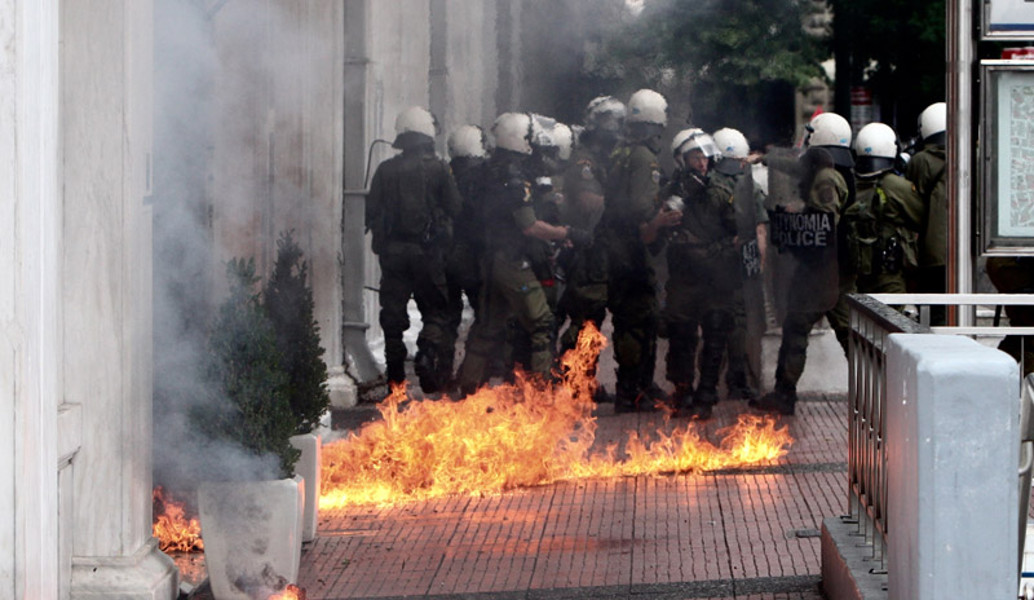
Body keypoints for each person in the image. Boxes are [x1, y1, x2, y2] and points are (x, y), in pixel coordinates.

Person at [456, 112, 589, 395]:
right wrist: (567, 233)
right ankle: (543, 391)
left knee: (488, 326)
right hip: (513, 261)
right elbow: (529, 227)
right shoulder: (515, 179)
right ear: (520, 139)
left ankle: (468, 387)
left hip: (492, 258)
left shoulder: (488, 170)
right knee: (542, 322)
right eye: (529, 136)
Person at [752, 113, 854, 416]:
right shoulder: (833, 169)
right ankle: (879, 392)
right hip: (838, 269)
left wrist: (798, 216)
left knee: (796, 327)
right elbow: (797, 166)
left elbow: (824, 221)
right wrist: (766, 159)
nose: (805, 142)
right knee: (851, 334)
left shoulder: (825, 178)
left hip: (820, 271)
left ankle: (785, 394)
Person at [365, 106, 462, 393]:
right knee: (435, 310)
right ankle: (426, 353)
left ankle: (395, 379)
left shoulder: (385, 170)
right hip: (428, 255)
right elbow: (456, 208)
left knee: (392, 316)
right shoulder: (439, 169)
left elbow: (370, 212)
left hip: (392, 256)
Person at [599, 89, 682, 413]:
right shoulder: (643, 157)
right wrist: (659, 218)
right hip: (632, 248)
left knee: (638, 317)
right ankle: (631, 391)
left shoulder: (621, 151)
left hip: (618, 244)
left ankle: (640, 386)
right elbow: (638, 205)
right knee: (636, 318)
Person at [556, 96, 625, 401]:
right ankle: (573, 381)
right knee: (586, 318)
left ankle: (586, 382)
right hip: (585, 252)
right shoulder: (584, 161)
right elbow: (588, 201)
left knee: (593, 318)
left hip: (599, 250)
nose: (616, 132)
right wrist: (623, 207)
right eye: (612, 125)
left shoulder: (603, 160)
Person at [662, 128, 733, 419]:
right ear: (683, 160)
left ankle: (706, 393)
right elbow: (655, 230)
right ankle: (682, 392)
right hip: (683, 275)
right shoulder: (672, 191)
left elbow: (738, 234)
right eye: (694, 157)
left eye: (704, 156)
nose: (702, 163)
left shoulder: (721, 190)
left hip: (715, 274)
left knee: (715, 332)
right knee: (681, 335)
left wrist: (716, 252)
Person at [711, 127, 768, 403]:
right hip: (740, 264)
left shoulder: (707, 182)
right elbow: (760, 233)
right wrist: (759, 267)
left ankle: (704, 385)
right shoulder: (750, 187)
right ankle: (736, 380)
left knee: (711, 321)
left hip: (708, 264)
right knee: (739, 322)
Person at [850, 122, 924, 298]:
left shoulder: (852, 184)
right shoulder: (895, 185)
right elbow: (920, 215)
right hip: (889, 273)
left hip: (857, 272)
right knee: (891, 321)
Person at [442, 124, 489, 384]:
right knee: (484, 315)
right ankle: (470, 372)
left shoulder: (444, 173)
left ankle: (443, 373)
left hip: (445, 254)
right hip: (473, 256)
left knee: (447, 317)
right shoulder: (484, 176)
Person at [906, 102, 948, 325]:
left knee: (931, 308)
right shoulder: (972, 154)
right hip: (965, 249)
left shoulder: (920, 161)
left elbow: (911, 201)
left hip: (931, 250)